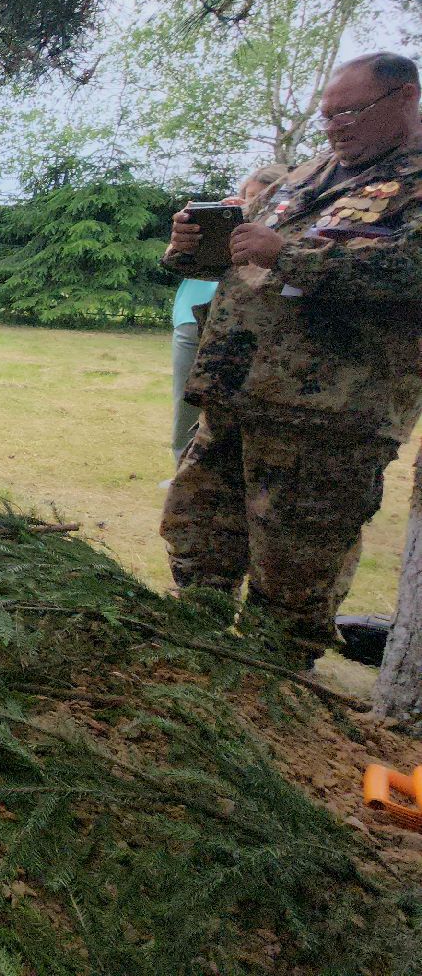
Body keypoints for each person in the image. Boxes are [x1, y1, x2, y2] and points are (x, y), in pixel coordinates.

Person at [161, 51, 422, 663]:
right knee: (197, 541)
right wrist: (190, 249)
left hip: (328, 419)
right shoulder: (308, 174)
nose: (335, 127)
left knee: (293, 578)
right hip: (234, 395)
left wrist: (291, 256)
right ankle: (192, 668)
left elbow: (411, 270)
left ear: (406, 98)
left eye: (350, 112)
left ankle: (273, 696)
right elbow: (241, 253)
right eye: (328, 116)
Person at [165, 162, 288, 468]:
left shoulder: (286, 238)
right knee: (187, 400)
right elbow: (177, 263)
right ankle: (183, 467)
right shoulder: (223, 224)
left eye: (259, 200)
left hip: (262, 329)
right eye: (246, 197)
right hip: (196, 319)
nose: (250, 206)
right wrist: (188, 240)